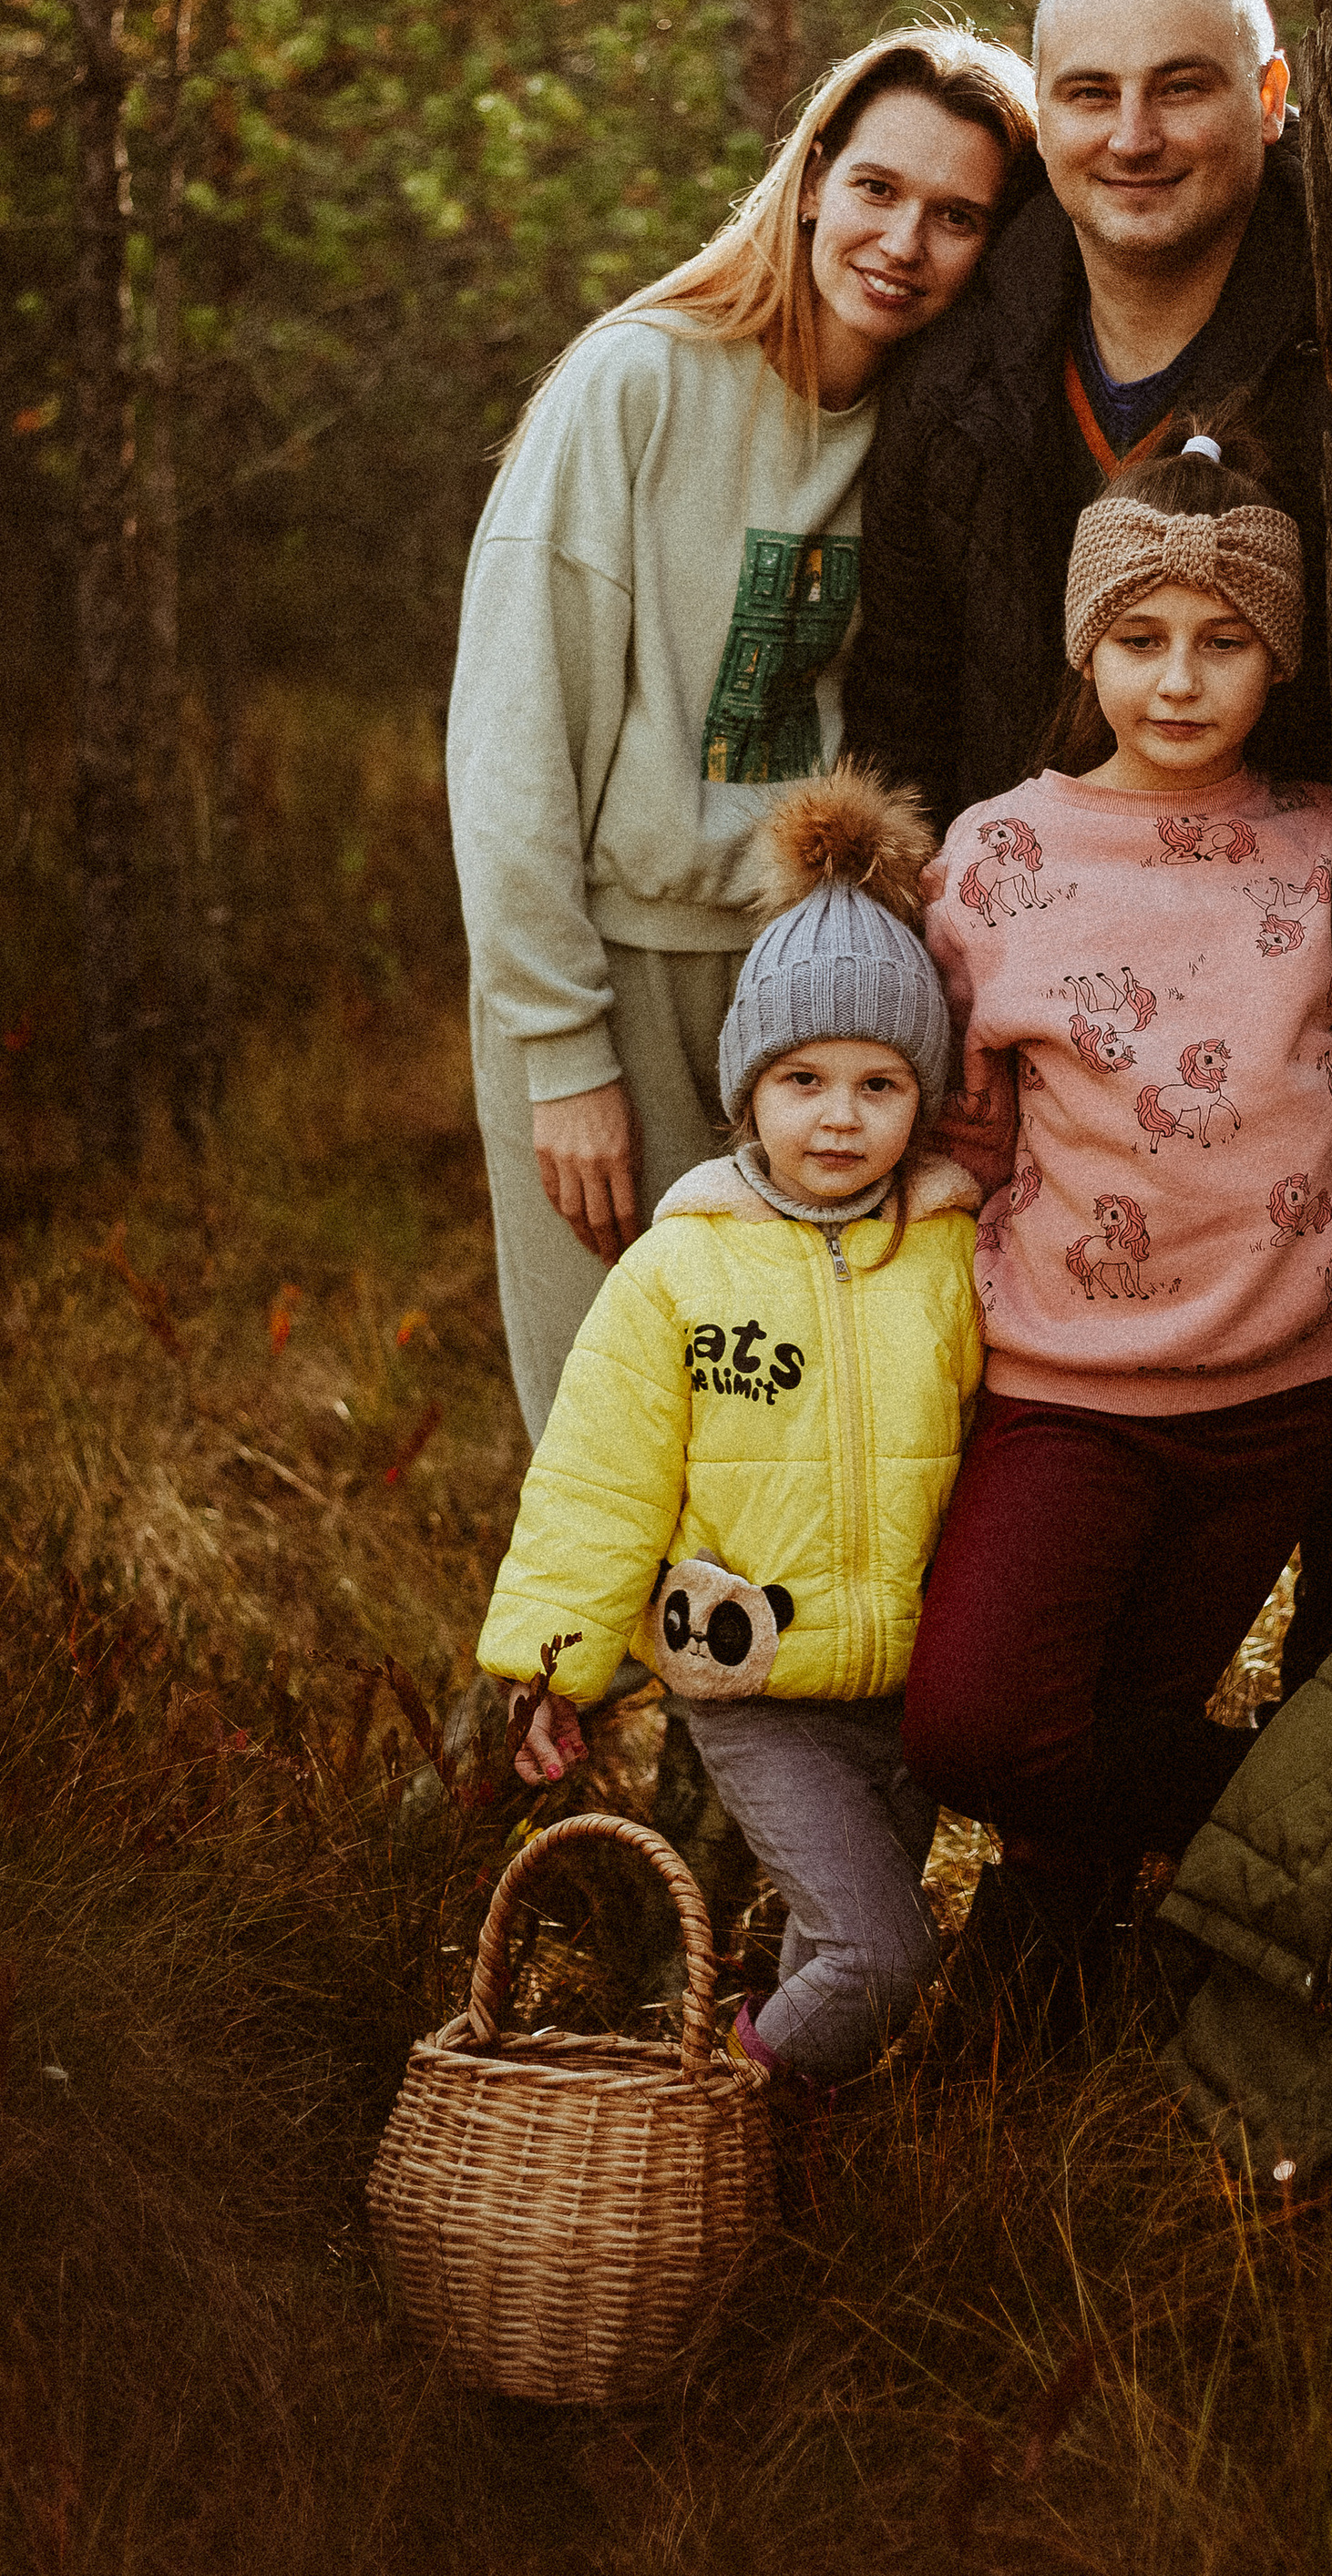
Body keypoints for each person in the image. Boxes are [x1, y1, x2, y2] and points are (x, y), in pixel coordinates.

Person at [447, 27, 1036, 1446]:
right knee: (615, 1421)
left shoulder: (935, 425)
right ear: (814, 177)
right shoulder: (637, 384)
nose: (904, 243)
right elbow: (512, 741)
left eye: (958, 216)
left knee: (798, 1433)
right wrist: (561, 1053)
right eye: (879, 189)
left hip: (828, 987)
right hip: (619, 973)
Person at [899, 424, 1332, 2031]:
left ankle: (1040, 2031)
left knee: (1105, 1747)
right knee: (978, 1726)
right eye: (1141, 637)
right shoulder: (998, 857)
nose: (1178, 679)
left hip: (1280, 1391)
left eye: (1224, 641)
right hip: (1069, 1392)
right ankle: (1317, 1832)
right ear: (1085, 646)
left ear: (1278, 656)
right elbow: (968, 1131)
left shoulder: (1327, 842)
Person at [481, 769, 984, 2084]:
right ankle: (718, 2107)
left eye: (880, 1084)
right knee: (881, 1955)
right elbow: (598, 1480)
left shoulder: (951, 1254)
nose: (839, 1116)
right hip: (756, 1693)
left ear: (924, 1096)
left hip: (907, 1689)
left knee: (830, 1947)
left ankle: (771, 2168)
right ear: (745, 1090)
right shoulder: (681, 1267)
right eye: (802, 1079)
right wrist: (550, 1666)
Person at [845, 0, 1330, 834]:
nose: (1132, 138)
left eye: (1180, 88)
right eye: (1090, 94)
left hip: (1289, 908)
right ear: (1043, 114)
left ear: (1269, 99)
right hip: (999, 910)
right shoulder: (948, 378)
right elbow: (901, 723)